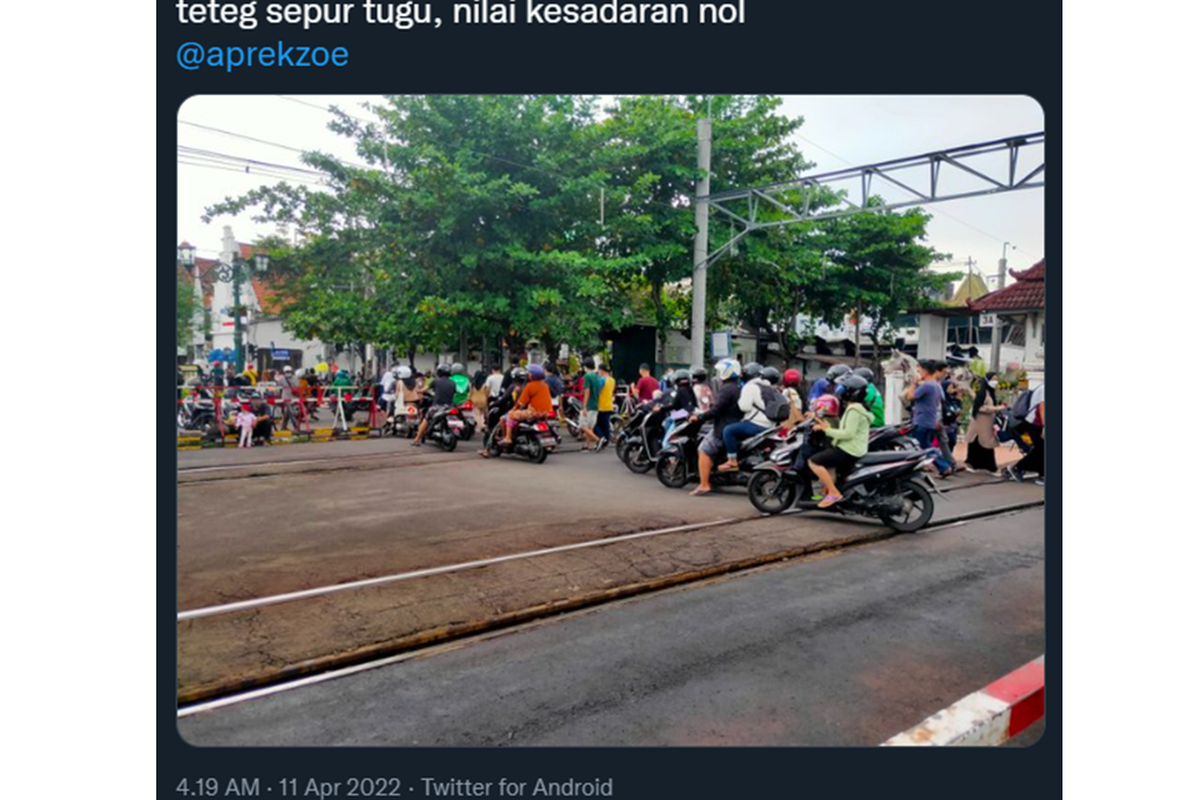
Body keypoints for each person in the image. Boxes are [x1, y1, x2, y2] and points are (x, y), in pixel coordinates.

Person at [808, 374, 873, 507]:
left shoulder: (854, 410)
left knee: (814, 462)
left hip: (849, 449)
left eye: (843, 389)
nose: (840, 391)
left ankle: (833, 493)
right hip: (855, 448)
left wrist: (826, 430)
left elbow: (847, 434)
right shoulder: (859, 408)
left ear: (851, 392)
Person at [689, 359, 744, 496]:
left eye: (720, 371)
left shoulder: (726, 389)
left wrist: (700, 417)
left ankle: (704, 484)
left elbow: (716, 409)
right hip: (734, 423)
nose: (718, 374)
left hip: (723, 426)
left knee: (704, 449)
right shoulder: (736, 387)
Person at [484, 363, 552, 455]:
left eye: (529, 373)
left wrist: (513, 410)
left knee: (510, 415)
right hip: (546, 412)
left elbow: (520, 402)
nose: (528, 375)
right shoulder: (545, 385)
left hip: (533, 412)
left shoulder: (529, 386)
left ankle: (507, 438)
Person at [717, 362, 772, 473]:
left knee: (728, 430)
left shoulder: (749, 387)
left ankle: (732, 460)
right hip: (771, 424)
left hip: (758, 423)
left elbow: (744, 407)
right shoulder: (767, 386)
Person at [905, 359, 953, 477]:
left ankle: (939, 466)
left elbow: (909, 397)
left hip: (921, 420)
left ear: (926, 371)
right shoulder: (936, 385)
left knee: (917, 446)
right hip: (930, 421)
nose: (918, 372)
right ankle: (944, 466)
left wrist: (914, 384)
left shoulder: (926, 385)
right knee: (926, 446)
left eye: (919, 370)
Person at [965, 371, 1005, 474]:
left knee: (981, 444)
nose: (995, 381)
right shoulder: (983, 392)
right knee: (985, 445)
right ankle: (989, 467)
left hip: (986, 424)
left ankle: (976, 465)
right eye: (993, 379)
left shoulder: (990, 392)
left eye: (996, 379)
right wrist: (996, 408)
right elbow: (980, 407)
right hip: (980, 423)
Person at [1006, 382, 1045, 483]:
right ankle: (1018, 468)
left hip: (1038, 423)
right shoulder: (1044, 388)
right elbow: (1042, 407)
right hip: (1034, 423)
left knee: (1041, 449)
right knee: (1041, 449)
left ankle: (1038, 473)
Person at [412, 364, 457, 446]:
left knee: (426, 418)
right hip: (449, 407)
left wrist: (418, 390)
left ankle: (417, 439)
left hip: (437, 407)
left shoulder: (435, 381)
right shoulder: (453, 383)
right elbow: (453, 393)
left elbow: (424, 389)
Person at [578, 357, 603, 451]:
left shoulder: (587, 377)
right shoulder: (597, 377)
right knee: (589, 427)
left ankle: (598, 439)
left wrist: (584, 406)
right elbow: (600, 390)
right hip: (596, 404)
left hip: (589, 405)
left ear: (585, 366)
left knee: (582, 425)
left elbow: (587, 391)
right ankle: (586, 446)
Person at [594, 363, 616, 448]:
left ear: (602, 370)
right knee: (605, 425)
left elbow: (598, 393)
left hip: (601, 406)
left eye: (599, 370)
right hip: (609, 405)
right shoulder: (612, 380)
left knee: (595, 424)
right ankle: (606, 440)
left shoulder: (602, 380)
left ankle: (601, 438)